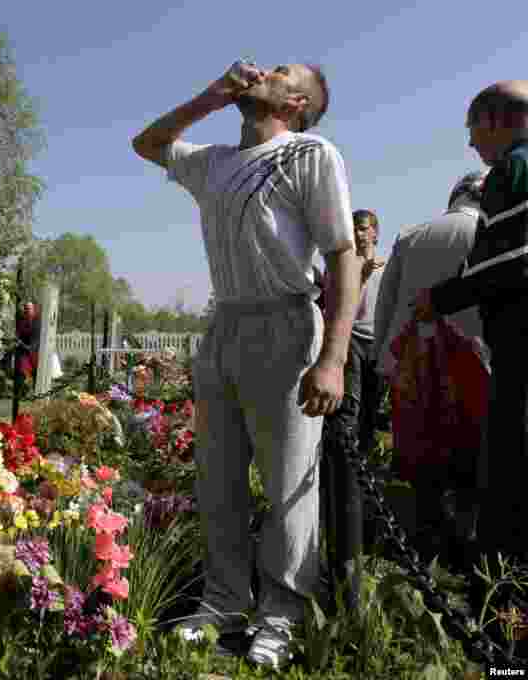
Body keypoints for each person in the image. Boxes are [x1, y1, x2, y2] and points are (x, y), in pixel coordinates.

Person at [132, 59, 361, 668]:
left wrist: (333, 358)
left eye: (282, 71)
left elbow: (343, 255)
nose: (263, 67)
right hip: (224, 325)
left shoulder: (310, 153)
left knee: (289, 483)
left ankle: (282, 615)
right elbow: (147, 143)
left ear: (296, 104)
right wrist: (208, 97)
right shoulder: (213, 163)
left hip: (286, 325)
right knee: (219, 479)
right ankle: (224, 603)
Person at [414, 82, 528, 582]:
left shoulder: (514, 168)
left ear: (496, 121)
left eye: (472, 129)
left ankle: (504, 599)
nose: (471, 144)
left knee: (510, 465)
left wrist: (436, 300)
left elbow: (512, 263)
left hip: (520, 341)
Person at [375, 172, 489, 565]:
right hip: (480, 366)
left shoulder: (411, 235)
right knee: (473, 458)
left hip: (413, 365)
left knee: (424, 458)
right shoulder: (495, 233)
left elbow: (386, 305)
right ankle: (467, 547)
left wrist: (383, 363)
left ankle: (426, 544)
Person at [319, 209, 386, 610]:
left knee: (369, 416)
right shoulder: (347, 268)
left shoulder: (385, 265)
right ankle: (351, 472)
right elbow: (339, 308)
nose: (360, 234)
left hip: (377, 344)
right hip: (352, 346)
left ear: (375, 232)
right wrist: (359, 275)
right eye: (355, 229)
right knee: (350, 416)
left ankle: (363, 465)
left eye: (364, 228)